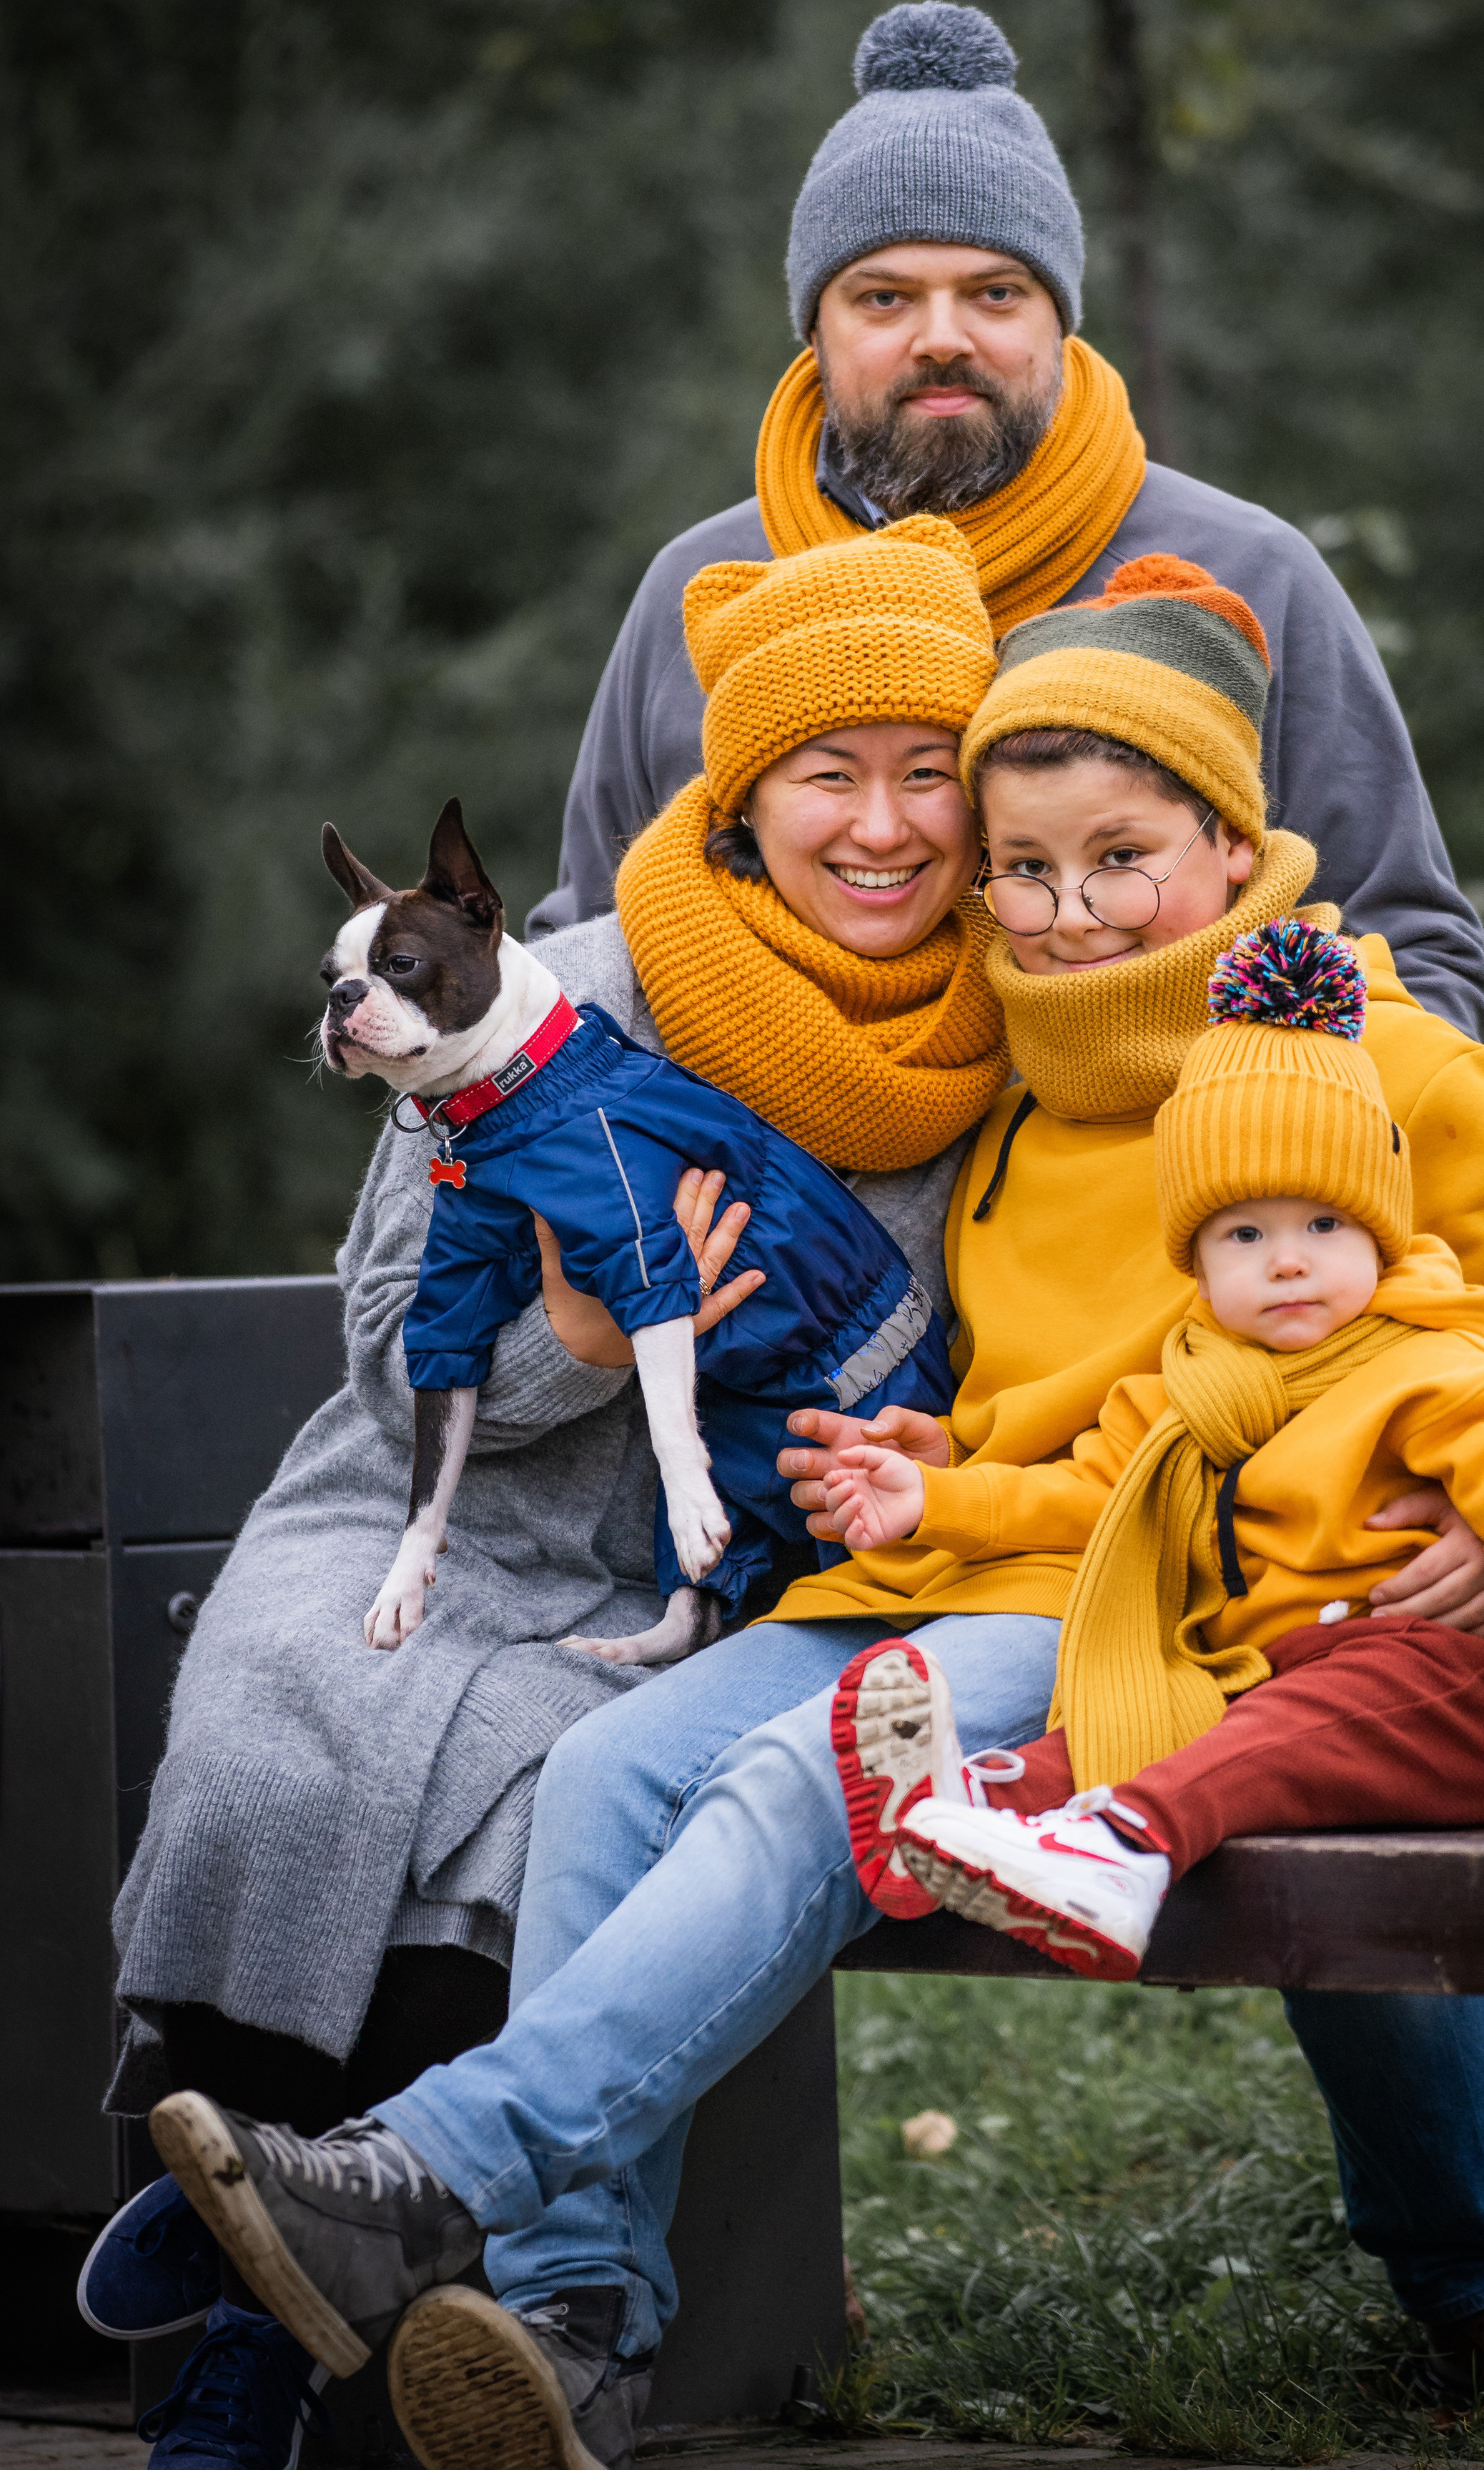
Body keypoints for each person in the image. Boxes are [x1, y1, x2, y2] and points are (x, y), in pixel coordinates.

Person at [142, 554, 1484, 2466]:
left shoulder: (1376, 1056)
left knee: (824, 1779)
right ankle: (578, 2316)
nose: (1060, 909)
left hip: (1190, 1603)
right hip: (969, 1555)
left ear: (1234, 837)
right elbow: (1011, 1393)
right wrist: (912, 1463)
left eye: (1121, 858)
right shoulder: (1015, 1091)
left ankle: (435, 2180)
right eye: (1022, 868)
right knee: (614, 1776)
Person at [89, 519, 1008, 2466]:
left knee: (515, 1791)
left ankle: (316, 2297)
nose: (882, 823)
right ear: (741, 796)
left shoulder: (992, 1047)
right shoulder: (548, 986)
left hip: (686, 1558)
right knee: (275, 1731)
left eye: (930, 768)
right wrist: (577, 1334)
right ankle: (264, 2332)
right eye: (825, 772)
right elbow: (380, 1325)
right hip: (415, 1501)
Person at [530, 0, 1484, 1044]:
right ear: (816, 328)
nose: (942, 339)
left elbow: (1416, 955)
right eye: (884, 298)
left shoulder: (1245, 573)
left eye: (994, 294)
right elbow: (586, 946)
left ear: (1059, 319)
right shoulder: (703, 587)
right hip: (745, 1198)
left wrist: (1251, 1162)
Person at [820, 919, 1484, 1978]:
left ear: (1383, 1233)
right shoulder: (1188, 1390)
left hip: (1454, 1683)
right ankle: (961, 1815)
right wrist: (933, 1501)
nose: (1288, 1264)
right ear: (1194, 1263)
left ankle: (1123, 1846)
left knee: (1263, 1732)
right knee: (1157, 1715)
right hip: (1278, 1673)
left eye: (1325, 1227)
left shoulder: (1428, 1359)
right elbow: (1085, 1494)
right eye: (1246, 1235)